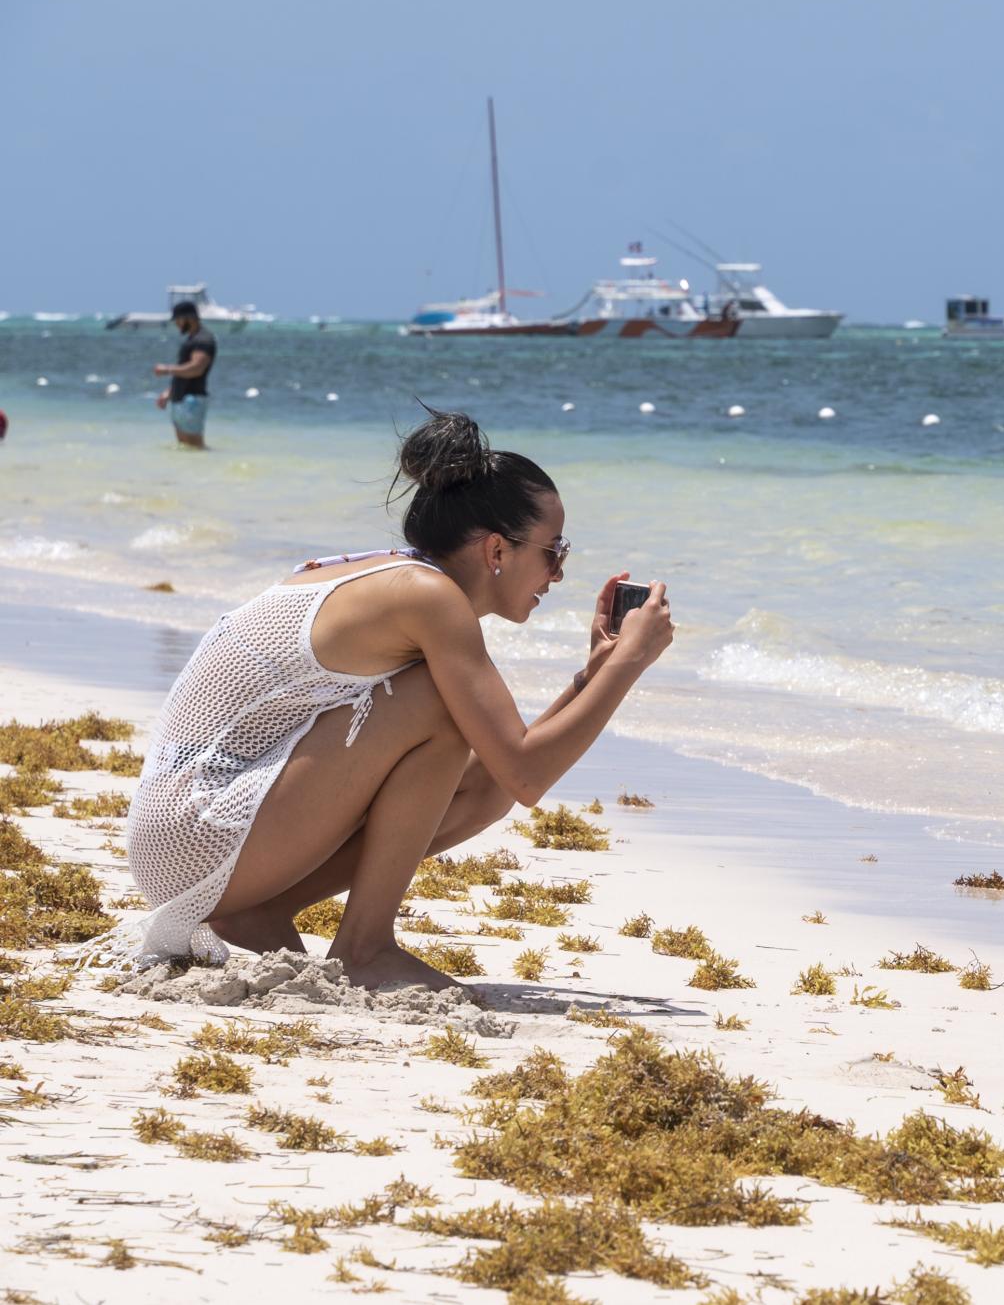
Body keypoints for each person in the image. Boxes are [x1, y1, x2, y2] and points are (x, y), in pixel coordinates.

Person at [123, 405, 675, 988]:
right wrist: (630, 664)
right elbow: (528, 774)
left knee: (481, 783)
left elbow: (508, 769)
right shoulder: (426, 597)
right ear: (496, 552)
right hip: (196, 831)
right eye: (554, 551)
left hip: (189, 832)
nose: (557, 575)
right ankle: (365, 947)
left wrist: (593, 675)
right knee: (443, 708)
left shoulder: (402, 579)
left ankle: (257, 909)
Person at [153, 300, 217, 448]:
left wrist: (166, 369)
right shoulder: (192, 339)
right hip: (180, 398)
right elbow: (184, 370)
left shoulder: (204, 339)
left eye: (178, 320)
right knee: (184, 448)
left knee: (195, 447)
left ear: (188, 317)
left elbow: (197, 368)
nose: (176, 324)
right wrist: (168, 393)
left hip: (192, 400)